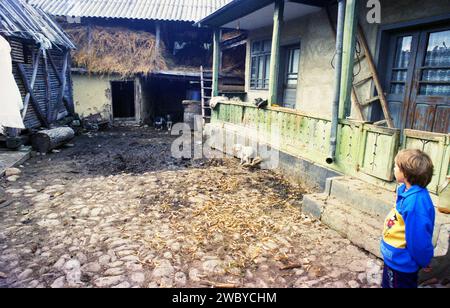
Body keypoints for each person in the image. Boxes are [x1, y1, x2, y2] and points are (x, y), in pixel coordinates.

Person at [381, 149, 436, 288]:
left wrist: (424, 260)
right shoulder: (405, 191)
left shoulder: (416, 203)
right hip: (393, 259)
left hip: (402, 266)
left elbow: (419, 239)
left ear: (406, 173)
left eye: (396, 166)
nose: (394, 168)